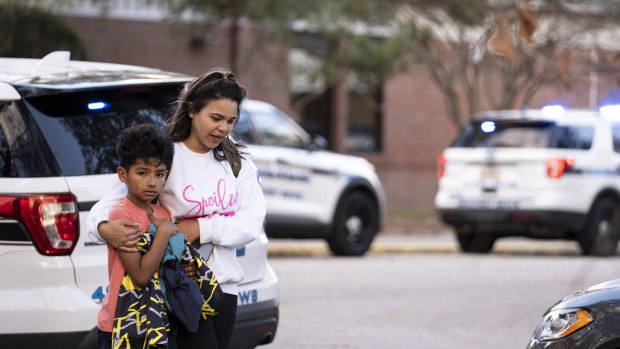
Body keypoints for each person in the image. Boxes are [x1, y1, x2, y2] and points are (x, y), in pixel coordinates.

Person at [88, 69, 267, 349]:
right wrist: (103, 229)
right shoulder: (165, 156)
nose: (224, 128)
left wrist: (199, 228)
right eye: (216, 118)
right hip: (177, 287)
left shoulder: (237, 161)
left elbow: (251, 223)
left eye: (231, 121)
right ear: (193, 111)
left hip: (223, 288)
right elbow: (107, 207)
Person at [96, 123, 177, 348]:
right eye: (142, 173)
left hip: (158, 321)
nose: (152, 182)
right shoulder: (121, 214)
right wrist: (162, 232)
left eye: (159, 174)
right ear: (123, 174)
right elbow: (140, 276)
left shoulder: (163, 213)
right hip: (122, 323)